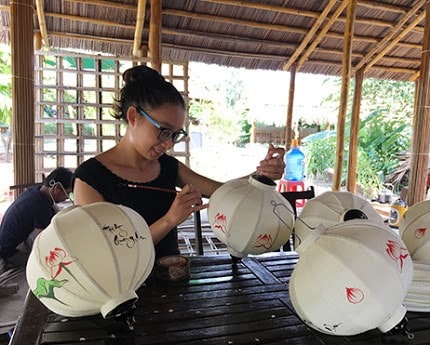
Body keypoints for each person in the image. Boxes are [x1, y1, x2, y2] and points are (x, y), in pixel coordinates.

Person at [73, 65, 285, 258]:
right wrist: (170, 220)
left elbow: (221, 191)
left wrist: (260, 175)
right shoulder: (90, 178)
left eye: (175, 135)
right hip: (122, 291)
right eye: (164, 131)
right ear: (133, 117)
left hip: (172, 279)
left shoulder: (167, 166)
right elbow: (105, 252)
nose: (169, 144)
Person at [0, 167, 73, 270]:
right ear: (56, 188)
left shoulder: (36, 191)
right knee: (47, 262)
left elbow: (55, 210)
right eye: (67, 193)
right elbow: (43, 241)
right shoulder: (41, 206)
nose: (66, 197)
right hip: (10, 252)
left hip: (6, 242)